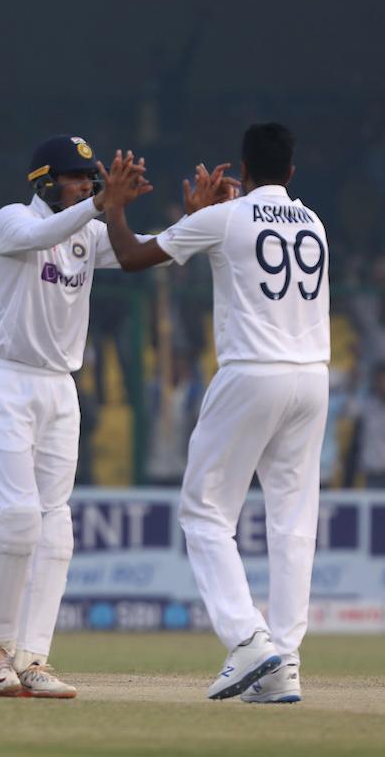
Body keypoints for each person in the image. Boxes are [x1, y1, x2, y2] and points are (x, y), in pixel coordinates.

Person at [102, 122, 330, 703]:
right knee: (293, 522)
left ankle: (249, 638)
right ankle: (286, 660)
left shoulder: (224, 218)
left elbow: (130, 257)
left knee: (203, 512)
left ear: (243, 169)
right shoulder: (314, 223)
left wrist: (118, 208)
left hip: (252, 372)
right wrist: (199, 222)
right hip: (312, 378)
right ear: (292, 173)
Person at [0, 139, 165, 699]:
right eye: (76, 178)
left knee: (57, 528)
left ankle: (33, 658)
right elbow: (40, 236)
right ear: (44, 182)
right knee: (21, 515)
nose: (86, 185)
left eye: (90, 177)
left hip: (60, 388)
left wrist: (199, 224)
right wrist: (101, 204)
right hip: (7, 379)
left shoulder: (88, 230)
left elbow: (140, 250)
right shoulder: (11, 221)